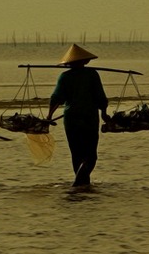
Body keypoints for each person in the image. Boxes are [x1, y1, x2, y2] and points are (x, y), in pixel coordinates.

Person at [47, 44, 111, 187]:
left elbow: (56, 98)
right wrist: (104, 113)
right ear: (85, 61)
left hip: (71, 119)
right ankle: (82, 179)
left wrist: (49, 116)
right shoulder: (92, 75)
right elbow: (101, 98)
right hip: (89, 117)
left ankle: (82, 184)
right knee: (91, 155)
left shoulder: (64, 77)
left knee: (76, 154)